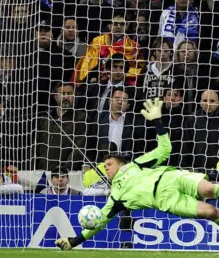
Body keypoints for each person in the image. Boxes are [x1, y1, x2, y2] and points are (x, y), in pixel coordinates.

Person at [56, 98, 219, 251]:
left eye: (109, 164)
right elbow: (99, 221)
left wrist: (157, 121)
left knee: (209, 190)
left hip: (172, 178)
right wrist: (73, 242)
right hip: (167, 201)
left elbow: (164, 149)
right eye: (104, 166)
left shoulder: (135, 164)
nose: (106, 168)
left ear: (121, 163)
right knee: (212, 212)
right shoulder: (115, 197)